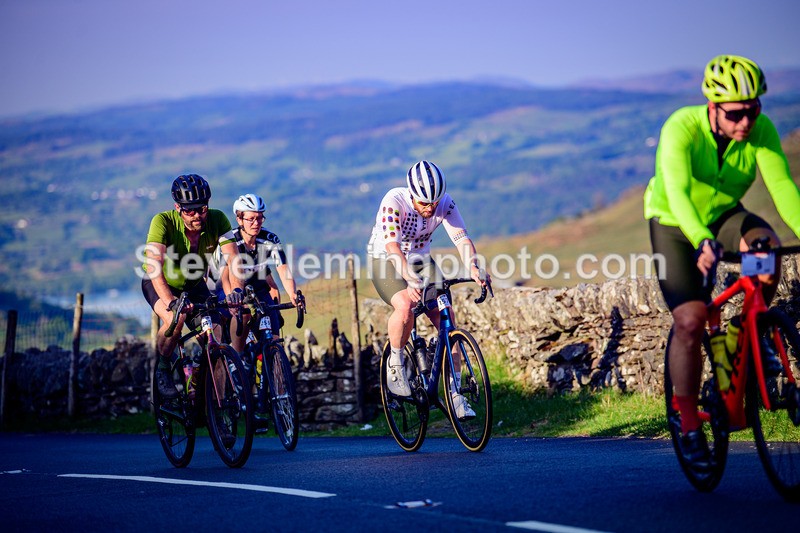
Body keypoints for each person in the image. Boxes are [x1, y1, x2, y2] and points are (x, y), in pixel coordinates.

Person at [644, 55, 800, 468]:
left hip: (725, 215)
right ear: (713, 108)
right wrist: (700, 240)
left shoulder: (760, 132)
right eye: (735, 113)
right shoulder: (682, 127)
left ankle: (751, 328)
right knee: (691, 320)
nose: (746, 121)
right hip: (675, 224)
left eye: (753, 110)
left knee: (764, 247)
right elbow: (676, 191)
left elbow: (782, 186)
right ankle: (690, 421)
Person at [368, 160, 492, 419]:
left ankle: (456, 394)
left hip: (421, 260)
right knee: (405, 306)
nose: (430, 208)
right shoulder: (394, 200)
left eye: (434, 203)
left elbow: (462, 239)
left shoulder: (444, 202)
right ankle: (396, 362)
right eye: (424, 203)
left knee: (447, 319)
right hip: (386, 259)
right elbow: (392, 248)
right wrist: (410, 280)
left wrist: (474, 268)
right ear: (412, 195)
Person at [141, 174, 245, 399]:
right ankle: (163, 366)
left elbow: (234, 259)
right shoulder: (162, 221)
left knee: (215, 336)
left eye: (202, 208)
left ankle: (217, 404)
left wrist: (237, 291)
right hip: (161, 283)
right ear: (178, 207)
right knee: (174, 319)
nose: (198, 215)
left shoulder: (217, 219)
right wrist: (171, 302)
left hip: (194, 285)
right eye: (190, 210)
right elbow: (154, 267)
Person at [215, 193, 300, 355]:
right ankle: (238, 357)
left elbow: (282, 268)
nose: (256, 223)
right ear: (239, 220)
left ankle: (273, 367)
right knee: (244, 313)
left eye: (260, 218)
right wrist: (232, 298)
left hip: (257, 287)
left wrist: (293, 293)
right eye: (251, 219)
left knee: (274, 338)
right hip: (229, 287)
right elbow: (224, 277)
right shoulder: (230, 240)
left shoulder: (270, 239)